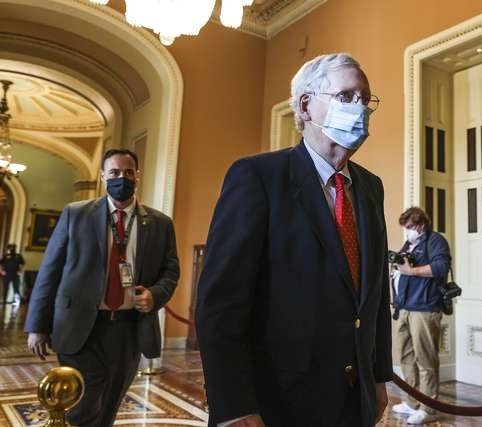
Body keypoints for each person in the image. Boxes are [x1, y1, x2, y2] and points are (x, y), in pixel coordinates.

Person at [196, 53, 392, 427]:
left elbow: (376, 293)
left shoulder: (371, 187)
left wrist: (379, 376)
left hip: (355, 399)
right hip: (277, 401)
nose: (360, 108)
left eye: (366, 99)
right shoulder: (257, 177)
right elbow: (221, 303)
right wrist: (234, 407)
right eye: (346, 96)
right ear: (305, 106)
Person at [25, 149, 180, 427]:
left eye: (128, 173)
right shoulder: (76, 214)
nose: (122, 178)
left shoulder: (160, 224)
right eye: (115, 172)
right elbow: (50, 270)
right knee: (84, 402)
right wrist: (37, 325)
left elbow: (171, 271)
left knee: (109, 403)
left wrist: (155, 295)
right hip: (79, 325)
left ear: (137, 176)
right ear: (102, 177)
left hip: (128, 329)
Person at [389, 207, 451, 425]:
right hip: (405, 307)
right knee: (405, 357)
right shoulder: (409, 245)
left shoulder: (435, 241)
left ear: (421, 225)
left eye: (409, 227)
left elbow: (441, 267)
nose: (407, 232)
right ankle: (412, 402)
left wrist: (411, 271)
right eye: (405, 228)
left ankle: (428, 408)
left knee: (426, 360)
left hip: (424, 308)